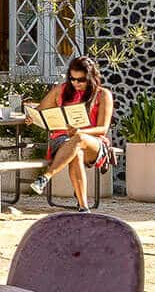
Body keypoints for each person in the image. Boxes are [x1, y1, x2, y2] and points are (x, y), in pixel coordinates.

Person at [31, 54, 114, 207]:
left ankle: (46, 176)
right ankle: (84, 207)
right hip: (62, 140)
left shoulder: (103, 95)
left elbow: (103, 128)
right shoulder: (60, 90)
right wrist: (31, 117)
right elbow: (39, 110)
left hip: (92, 142)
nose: (75, 83)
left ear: (91, 77)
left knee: (79, 139)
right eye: (72, 78)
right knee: (76, 152)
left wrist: (79, 132)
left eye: (80, 80)